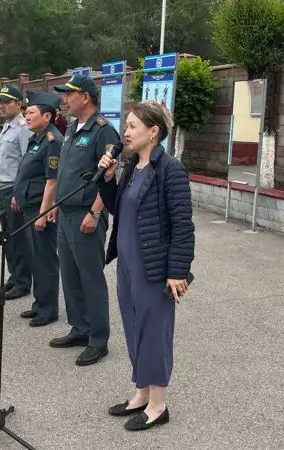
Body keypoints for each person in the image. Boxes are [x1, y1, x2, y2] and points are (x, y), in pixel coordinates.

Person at [96, 100, 195, 431]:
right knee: (133, 326)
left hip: (153, 267)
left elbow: (183, 226)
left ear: (153, 132)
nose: (125, 132)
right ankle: (141, 393)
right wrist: (107, 179)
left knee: (154, 332)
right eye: (126, 125)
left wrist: (177, 271)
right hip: (127, 264)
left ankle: (158, 404)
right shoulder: (131, 166)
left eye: (132, 126)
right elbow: (120, 209)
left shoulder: (170, 170)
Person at [48, 73, 121, 366]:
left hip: (86, 214)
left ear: (85, 97)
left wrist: (95, 212)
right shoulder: (71, 128)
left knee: (90, 278)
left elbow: (108, 175)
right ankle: (80, 328)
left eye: (69, 94)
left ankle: (98, 339)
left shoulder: (103, 131)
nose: (64, 99)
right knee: (70, 275)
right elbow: (66, 172)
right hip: (66, 212)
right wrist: (56, 204)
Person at [13, 90, 63, 327]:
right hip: (30, 207)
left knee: (45, 259)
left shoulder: (53, 141)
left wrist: (43, 213)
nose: (27, 116)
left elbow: (52, 181)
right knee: (36, 257)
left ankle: (48, 309)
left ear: (47, 116)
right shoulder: (37, 138)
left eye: (31, 112)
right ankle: (39, 302)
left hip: (39, 210)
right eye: (26, 112)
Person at [0, 85, 33, 300]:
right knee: (8, 237)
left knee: (18, 239)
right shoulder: (7, 126)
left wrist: (18, 192)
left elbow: (27, 162)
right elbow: (3, 161)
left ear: (19, 103)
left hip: (15, 190)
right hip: (4, 188)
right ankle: (14, 277)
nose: (2, 106)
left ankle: (22, 282)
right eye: (0, 102)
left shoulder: (23, 128)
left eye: (7, 102)